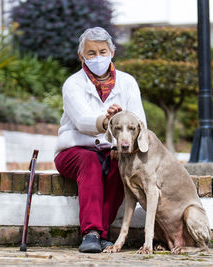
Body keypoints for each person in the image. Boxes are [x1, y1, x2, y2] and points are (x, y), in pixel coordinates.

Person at [54, 27, 147, 253]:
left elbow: (140, 121)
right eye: (91, 53)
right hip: (74, 150)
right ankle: (92, 232)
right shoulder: (73, 84)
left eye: (103, 51)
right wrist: (108, 122)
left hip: (113, 149)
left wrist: (120, 129)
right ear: (81, 56)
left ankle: (101, 234)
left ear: (112, 52)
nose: (98, 57)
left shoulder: (127, 82)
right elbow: (82, 121)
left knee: (121, 164)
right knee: (90, 161)